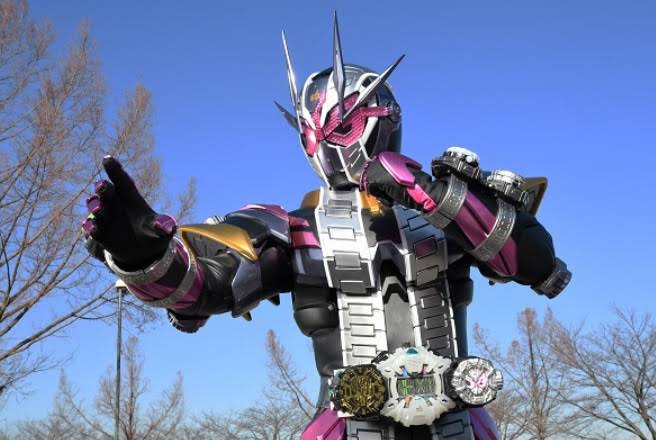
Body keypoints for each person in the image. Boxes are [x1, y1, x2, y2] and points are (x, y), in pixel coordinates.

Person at [82, 15, 571, 440]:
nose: (333, 135)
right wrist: (143, 256)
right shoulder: (291, 228)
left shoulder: (447, 211)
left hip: (458, 417)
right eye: (323, 124)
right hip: (346, 422)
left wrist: (434, 195)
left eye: (345, 121)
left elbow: (539, 264)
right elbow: (209, 284)